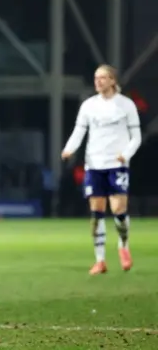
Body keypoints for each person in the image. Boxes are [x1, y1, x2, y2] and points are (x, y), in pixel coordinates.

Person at [61, 64, 141, 276]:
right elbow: (79, 131)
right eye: (96, 78)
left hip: (117, 164)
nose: (98, 81)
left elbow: (136, 137)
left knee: (118, 210)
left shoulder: (126, 105)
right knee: (96, 213)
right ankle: (100, 260)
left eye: (103, 78)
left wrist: (126, 154)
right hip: (94, 164)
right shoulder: (89, 105)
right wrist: (69, 149)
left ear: (113, 80)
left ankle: (123, 245)